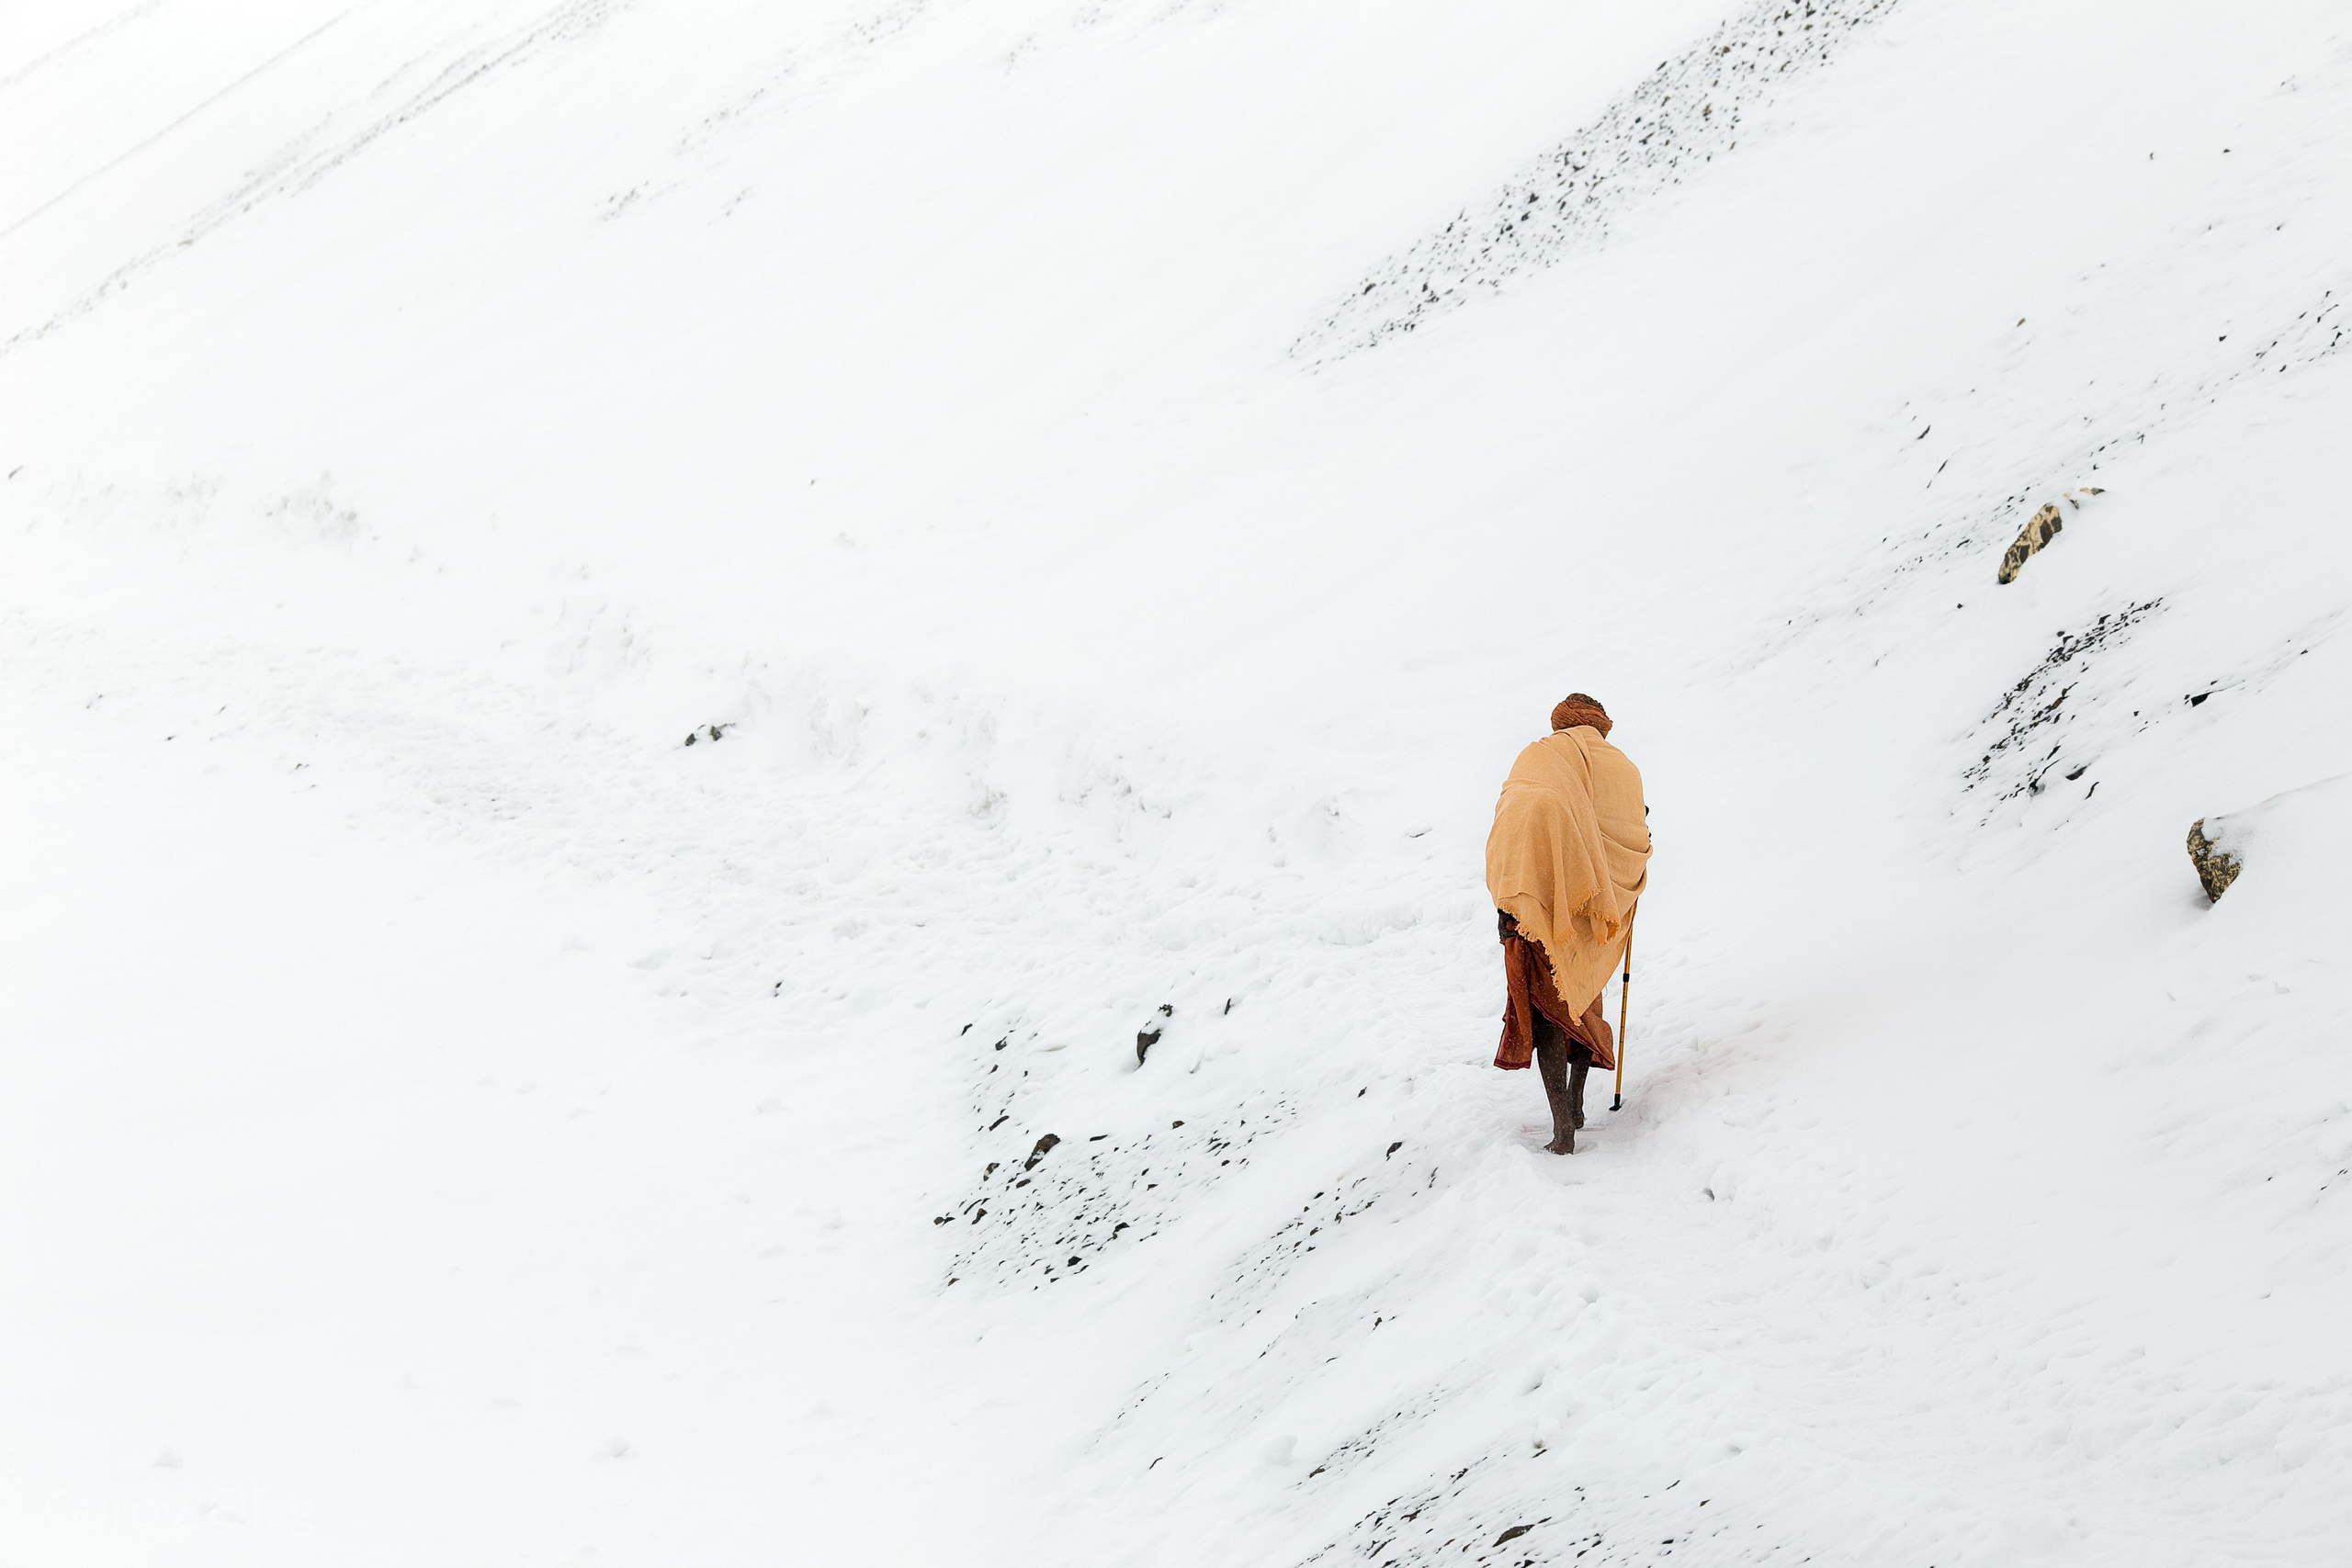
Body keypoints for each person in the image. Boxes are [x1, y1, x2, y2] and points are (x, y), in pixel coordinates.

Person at [1485, 694, 1651, 1154]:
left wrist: (1512, 900)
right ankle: (1575, 1104)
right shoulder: (1625, 770)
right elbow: (1638, 836)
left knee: (1547, 1009)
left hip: (1538, 900)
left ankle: (1563, 1128)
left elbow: (1511, 824)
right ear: (1601, 727)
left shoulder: (1540, 757)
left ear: (1561, 724)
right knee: (1583, 996)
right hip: (1598, 909)